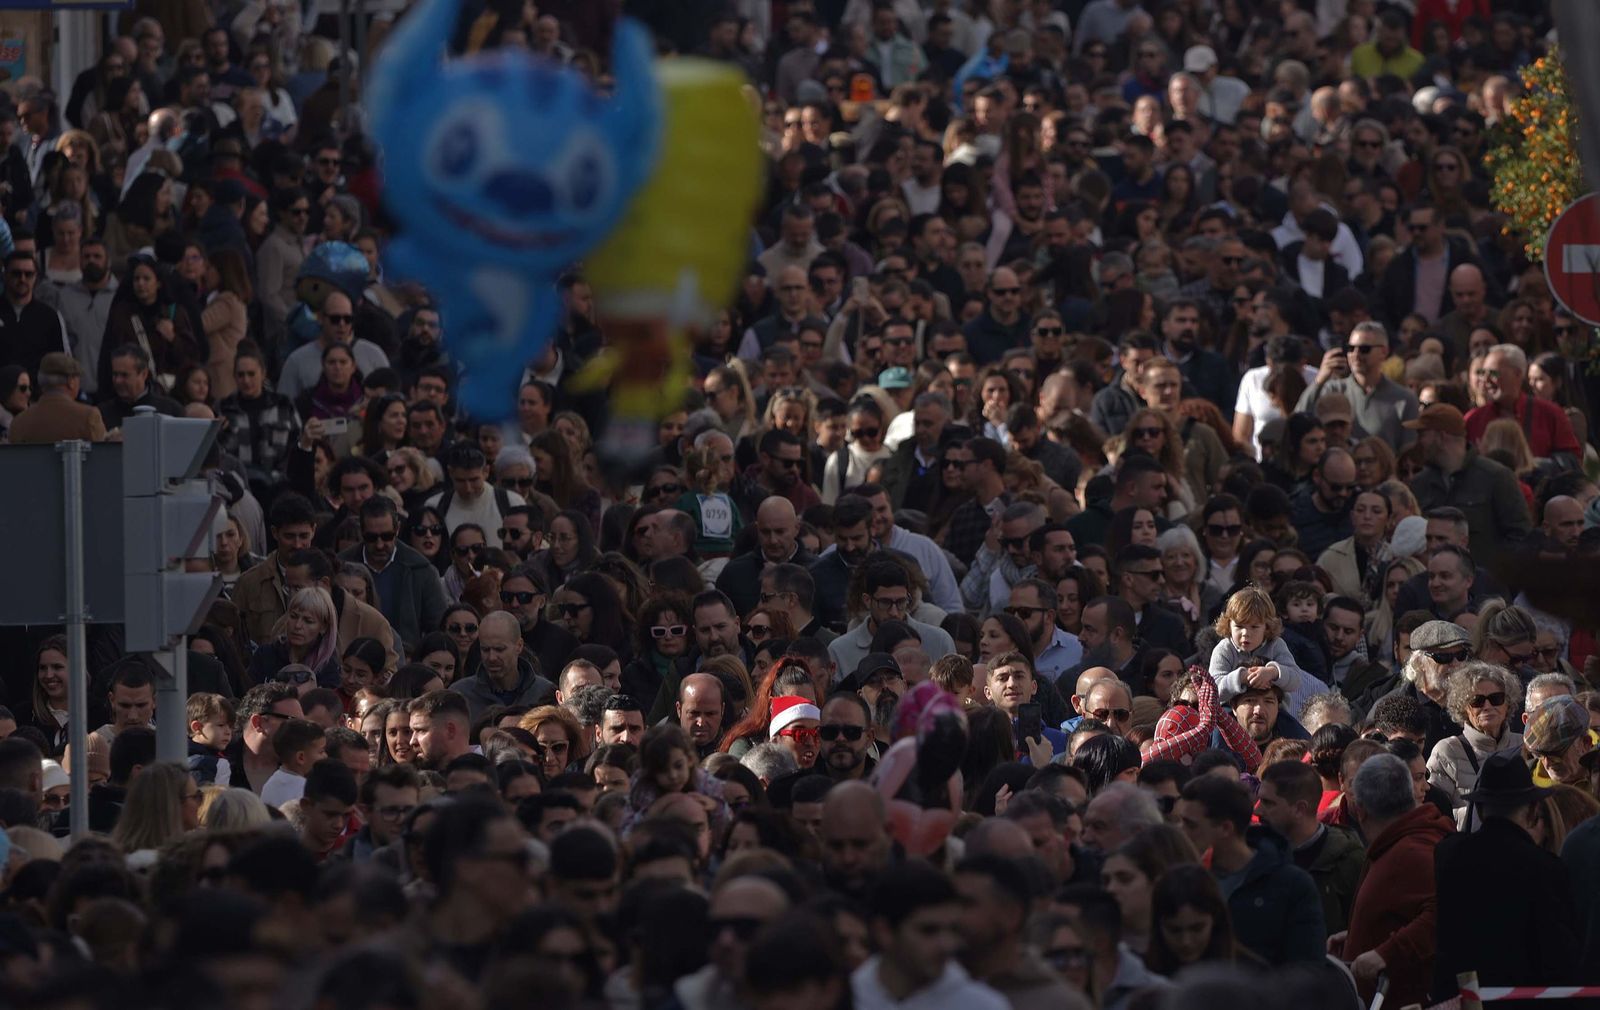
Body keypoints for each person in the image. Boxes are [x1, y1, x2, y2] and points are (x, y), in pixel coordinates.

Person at [1432, 752, 1584, 1003]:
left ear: (1481, 810)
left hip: (1459, 999)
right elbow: (1559, 957)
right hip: (1522, 1001)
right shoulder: (1544, 868)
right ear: (1533, 810)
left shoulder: (1449, 855)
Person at [1174, 775, 1326, 965]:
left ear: (1225, 828)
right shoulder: (1181, 879)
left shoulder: (1291, 886)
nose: (1180, 831)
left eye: (1190, 825)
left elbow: (1308, 967)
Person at [852, 860, 1011, 1010]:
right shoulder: (847, 999)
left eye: (952, 929)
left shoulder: (983, 1006)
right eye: (929, 931)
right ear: (884, 932)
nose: (946, 944)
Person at [7, 352, 105, 444]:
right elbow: (102, 452)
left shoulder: (19, 422)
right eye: (78, 378)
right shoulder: (88, 417)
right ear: (71, 382)